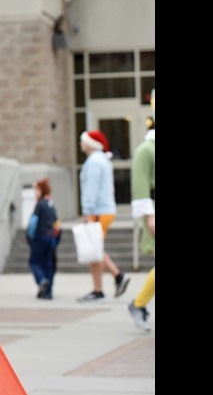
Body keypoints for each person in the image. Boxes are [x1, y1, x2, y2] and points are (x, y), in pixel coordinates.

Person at [75, 129, 131, 302]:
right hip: (103, 210)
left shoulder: (94, 162)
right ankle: (117, 277)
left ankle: (101, 288)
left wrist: (88, 212)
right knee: (96, 248)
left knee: (94, 250)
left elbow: (91, 189)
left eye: (82, 141)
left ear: (90, 144)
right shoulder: (101, 160)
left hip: (98, 211)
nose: (80, 144)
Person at [128, 91, 155, 331]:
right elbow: (141, 183)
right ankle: (138, 304)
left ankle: (138, 304)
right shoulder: (147, 150)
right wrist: (150, 215)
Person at [27, 178, 61, 299]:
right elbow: (57, 224)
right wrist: (56, 239)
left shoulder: (39, 204)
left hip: (40, 237)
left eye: (37, 190)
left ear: (41, 190)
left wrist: (30, 236)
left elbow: (33, 223)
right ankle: (48, 291)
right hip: (51, 237)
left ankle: (42, 281)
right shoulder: (51, 205)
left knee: (34, 262)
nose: (36, 193)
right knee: (48, 264)